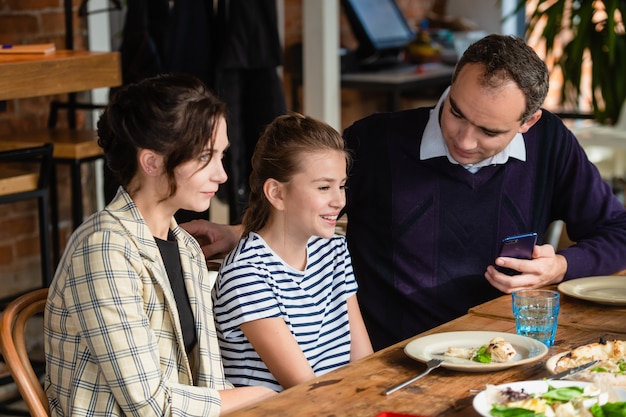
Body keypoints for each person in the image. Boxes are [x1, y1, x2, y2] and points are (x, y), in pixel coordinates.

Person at [182, 35, 626, 351]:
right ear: (452, 83)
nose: (465, 140)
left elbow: (618, 231)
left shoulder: (550, 142)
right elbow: (303, 209)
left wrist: (562, 265)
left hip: (508, 349)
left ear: (528, 123)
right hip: (394, 356)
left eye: (489, 131)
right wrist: (241, 231)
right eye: (456, 112)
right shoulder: (374, 142)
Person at [44, 74, 275, 417]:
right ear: (151, 162)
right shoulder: (103, 251)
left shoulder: (185, 247)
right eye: (204, 157)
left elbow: (208, 378)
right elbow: (152, 407)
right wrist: (261, 395)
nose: (221, 175)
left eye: (221, 156)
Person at [211, 113, 373, 392]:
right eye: (324, 187)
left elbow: (364, 366)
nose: (339, 201)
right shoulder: (246, 275)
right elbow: (305, 391)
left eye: (342, 185)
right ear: (277, 194)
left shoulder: (333, 249)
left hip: (338, 405)